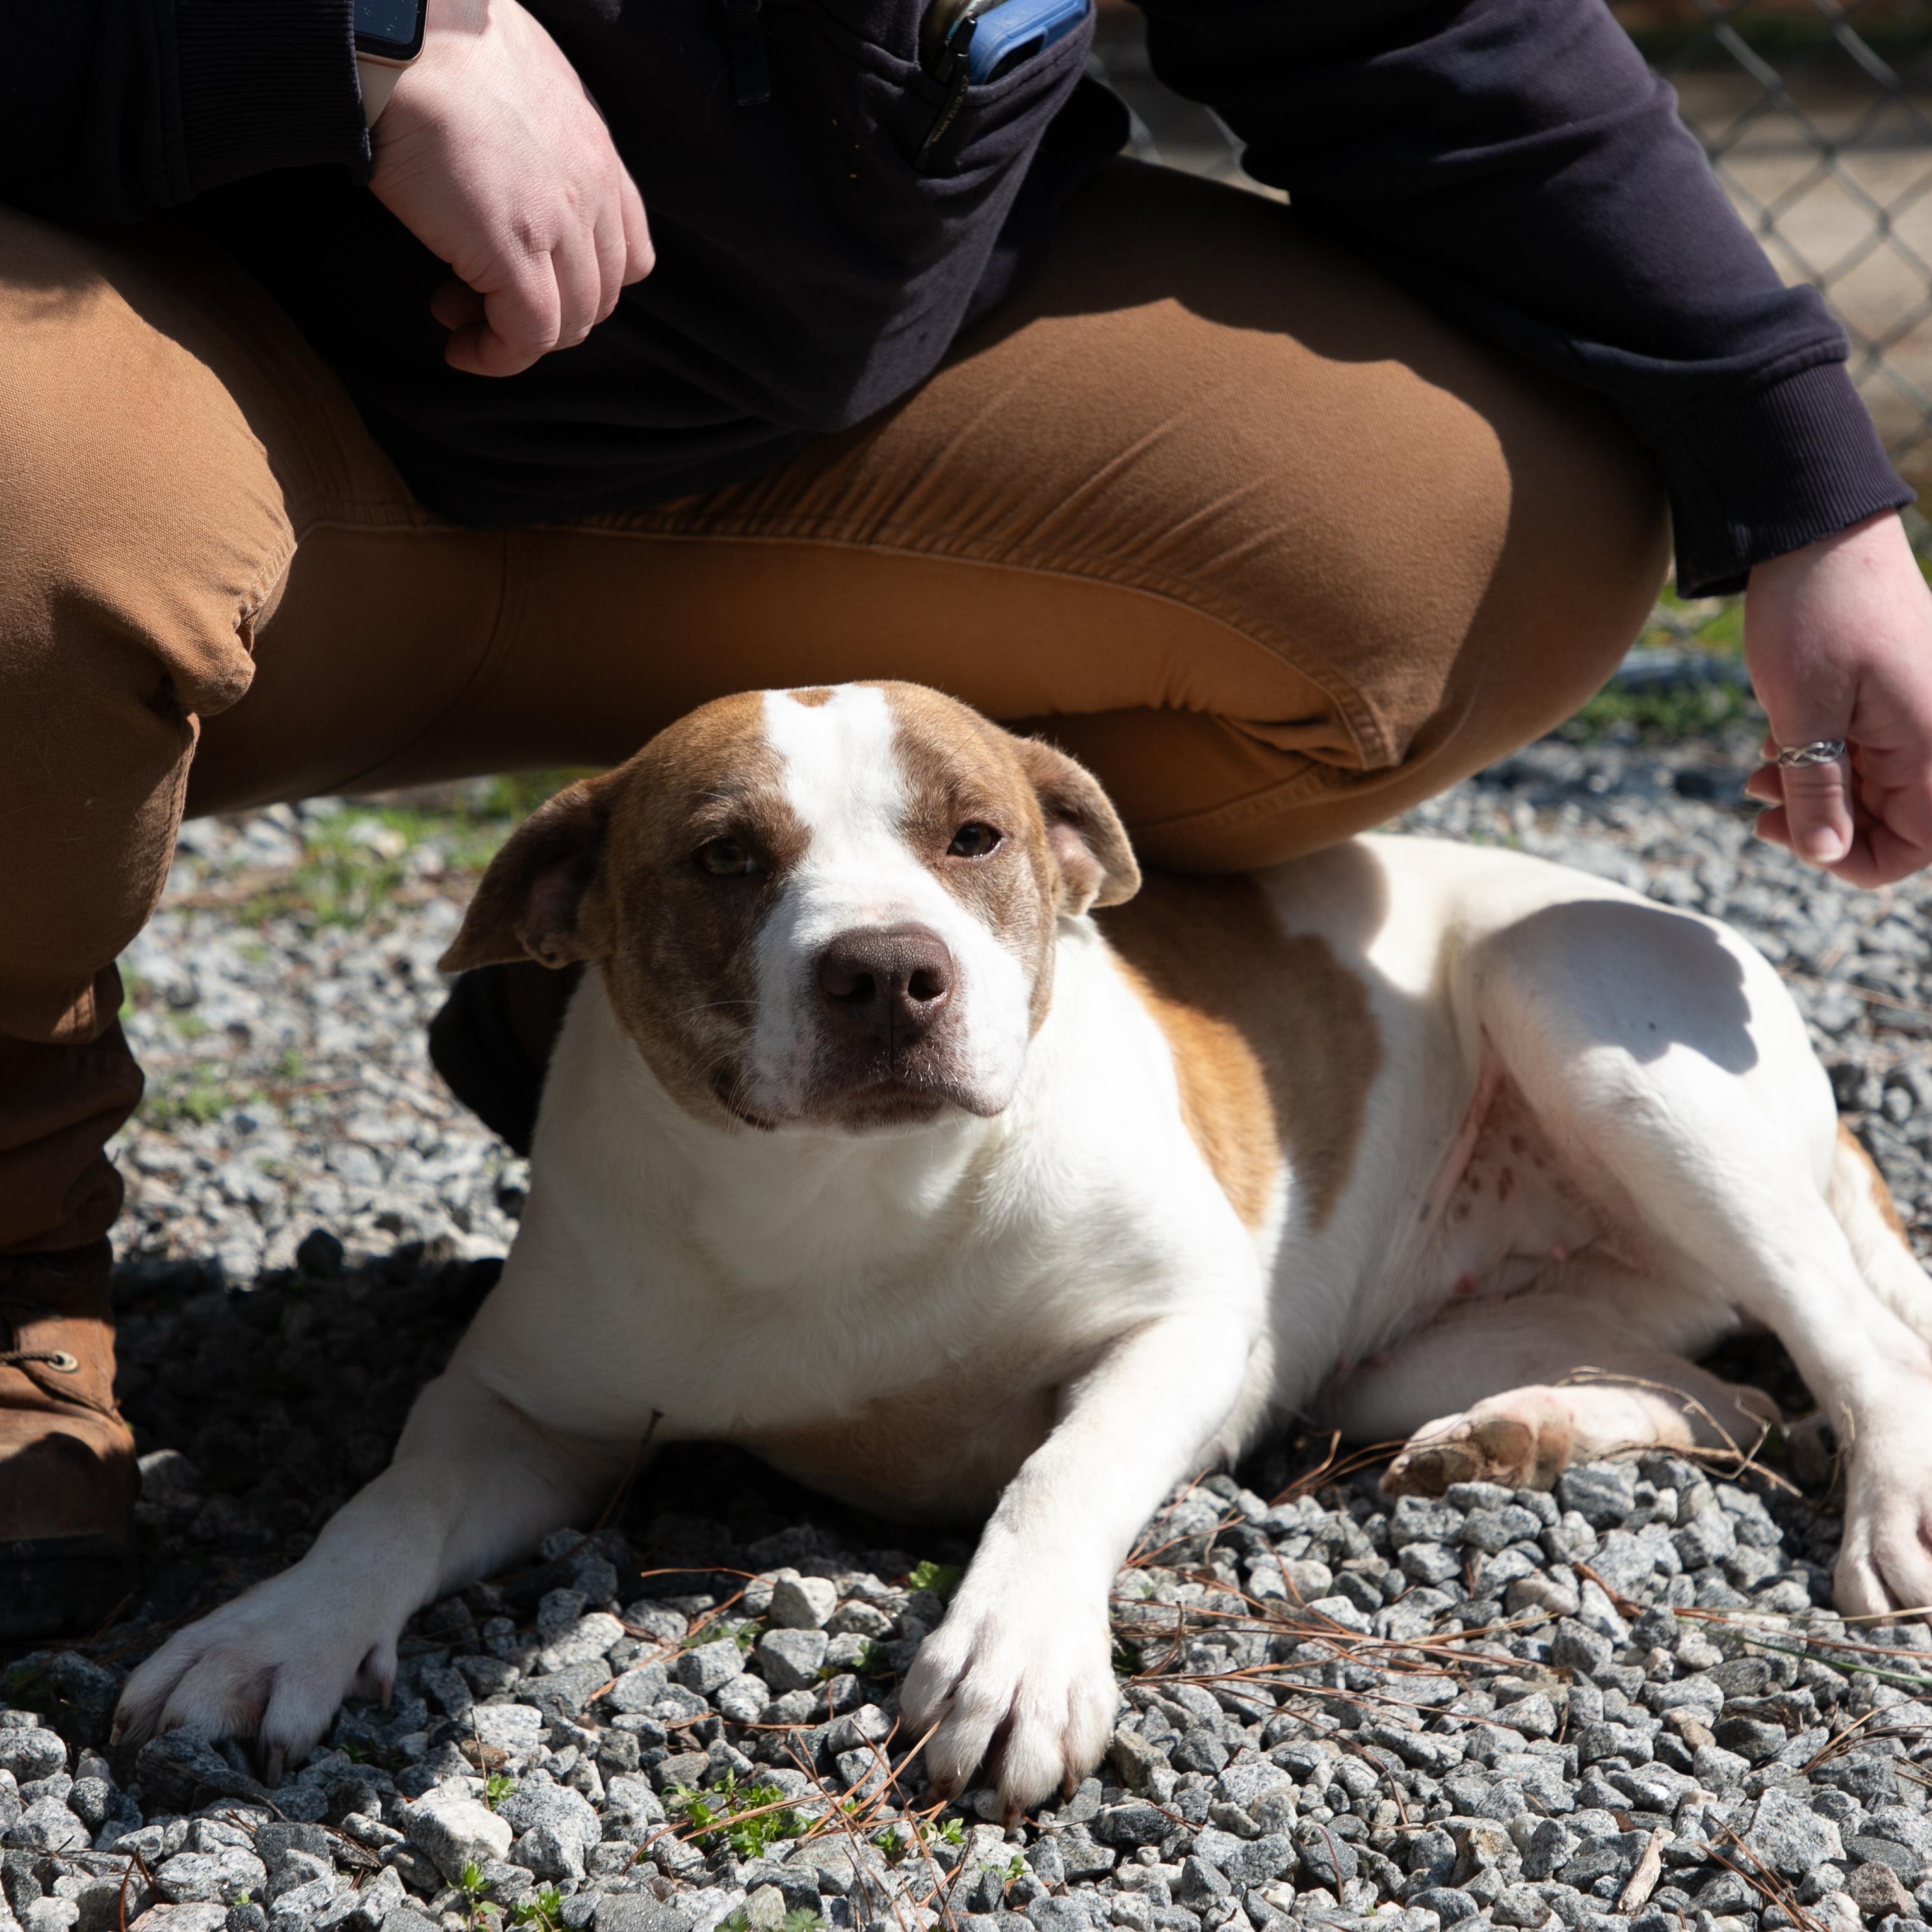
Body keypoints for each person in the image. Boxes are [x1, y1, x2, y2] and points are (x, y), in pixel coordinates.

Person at [4, 0, 1931, 1638]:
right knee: (24, 520)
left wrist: (1811, 489)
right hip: (215, 336)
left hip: (818, 400)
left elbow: (1420, 28)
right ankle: (23, 1243)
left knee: (1512, 525)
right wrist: (352, 34)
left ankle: (700, 983)